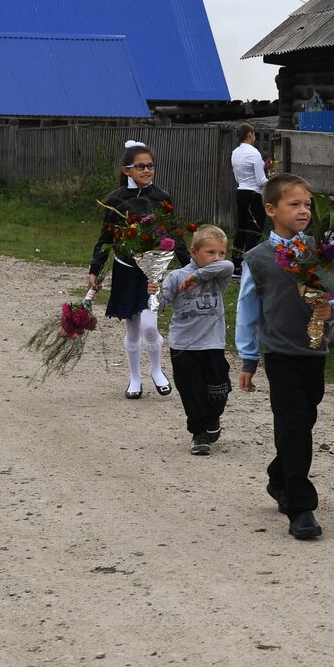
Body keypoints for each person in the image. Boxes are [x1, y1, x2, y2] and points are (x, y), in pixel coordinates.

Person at [235, 173, 334, 541]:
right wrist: (249, 360)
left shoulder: (322, 251)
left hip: (315, 352)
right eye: (294, 204)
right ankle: (301, 508)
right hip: (280, 353)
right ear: (271, 210)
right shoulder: (258, 258)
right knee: (294, 422)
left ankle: (279, 476)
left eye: (307, 204)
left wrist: (333, 311)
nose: (303, 211)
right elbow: (248, 311)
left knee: (306, 417)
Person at [89, 140, 178, 399]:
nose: (147, 170)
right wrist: (95, 268)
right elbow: (106, 237)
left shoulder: (162, 197)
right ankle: (134, 378)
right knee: (133, 328)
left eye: (150, 166)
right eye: (140, 166)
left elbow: (174, 234)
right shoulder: (116, 199)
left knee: (150, 326)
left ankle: (156, 370)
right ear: (127, 170)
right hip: (127, 268)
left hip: (153, 271)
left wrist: (191, 265)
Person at [151, 225, 235, 455]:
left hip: (213, 345)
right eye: (210, 252)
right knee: (192, 392)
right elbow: (160, 304)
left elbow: (229, 266)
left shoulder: (219, 277)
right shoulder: (176, 276)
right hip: (184, 346)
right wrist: (152, 292)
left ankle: (213, 418)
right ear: (193, 251)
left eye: (221, 252)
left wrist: (197, 277)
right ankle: (198, 433)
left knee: (219, 391)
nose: (217, 258)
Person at [230, 123, 269, 273]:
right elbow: (260, 181)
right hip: (254, 194)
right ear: (251, 134)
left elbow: (237, 176)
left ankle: (236, 263)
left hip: (241, 192)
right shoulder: (254, 153)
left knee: (241, 228)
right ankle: (249, 265)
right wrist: (273, 180)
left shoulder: (235, 152)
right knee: (254, 231)